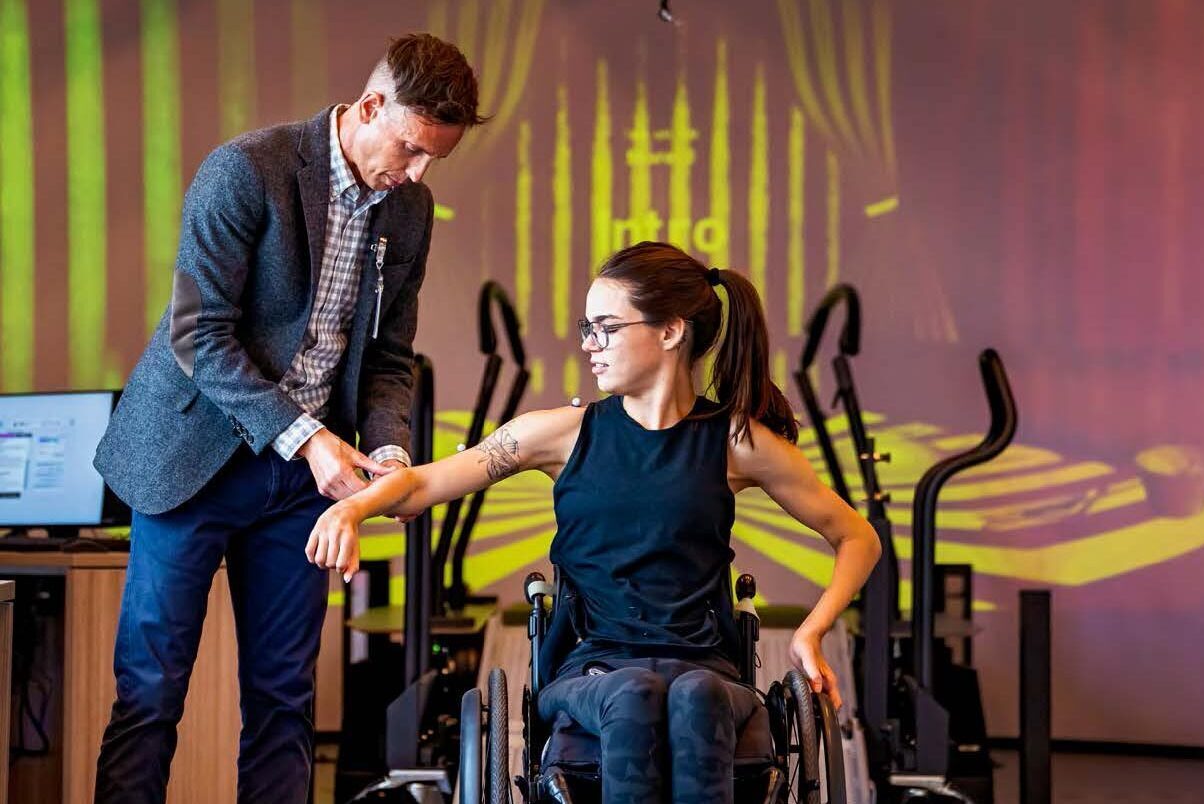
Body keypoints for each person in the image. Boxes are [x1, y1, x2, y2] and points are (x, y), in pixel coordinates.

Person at [308, 242, 882, 804]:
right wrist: (351, 506)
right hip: (592, 665)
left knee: (699, 693)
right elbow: (424, 484)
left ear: (670, 331)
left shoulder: (739, 441)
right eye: (587, 329)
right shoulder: (560, 432)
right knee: (633, 690)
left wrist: (811, 632)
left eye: (606, 328)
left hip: (705, 664)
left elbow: (857, 536)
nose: (590, 346)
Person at [91, 33, 483, 804]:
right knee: (151, 692)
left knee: (285, 701)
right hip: (192, 460)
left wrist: (392, 452)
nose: (417, 173)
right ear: (371, 107)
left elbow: (389, 358)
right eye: (410, 149)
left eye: (435, 159)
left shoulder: (410, 209)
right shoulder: (247, 169)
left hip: (305, 483)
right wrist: (309, 440)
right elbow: (199, 334)